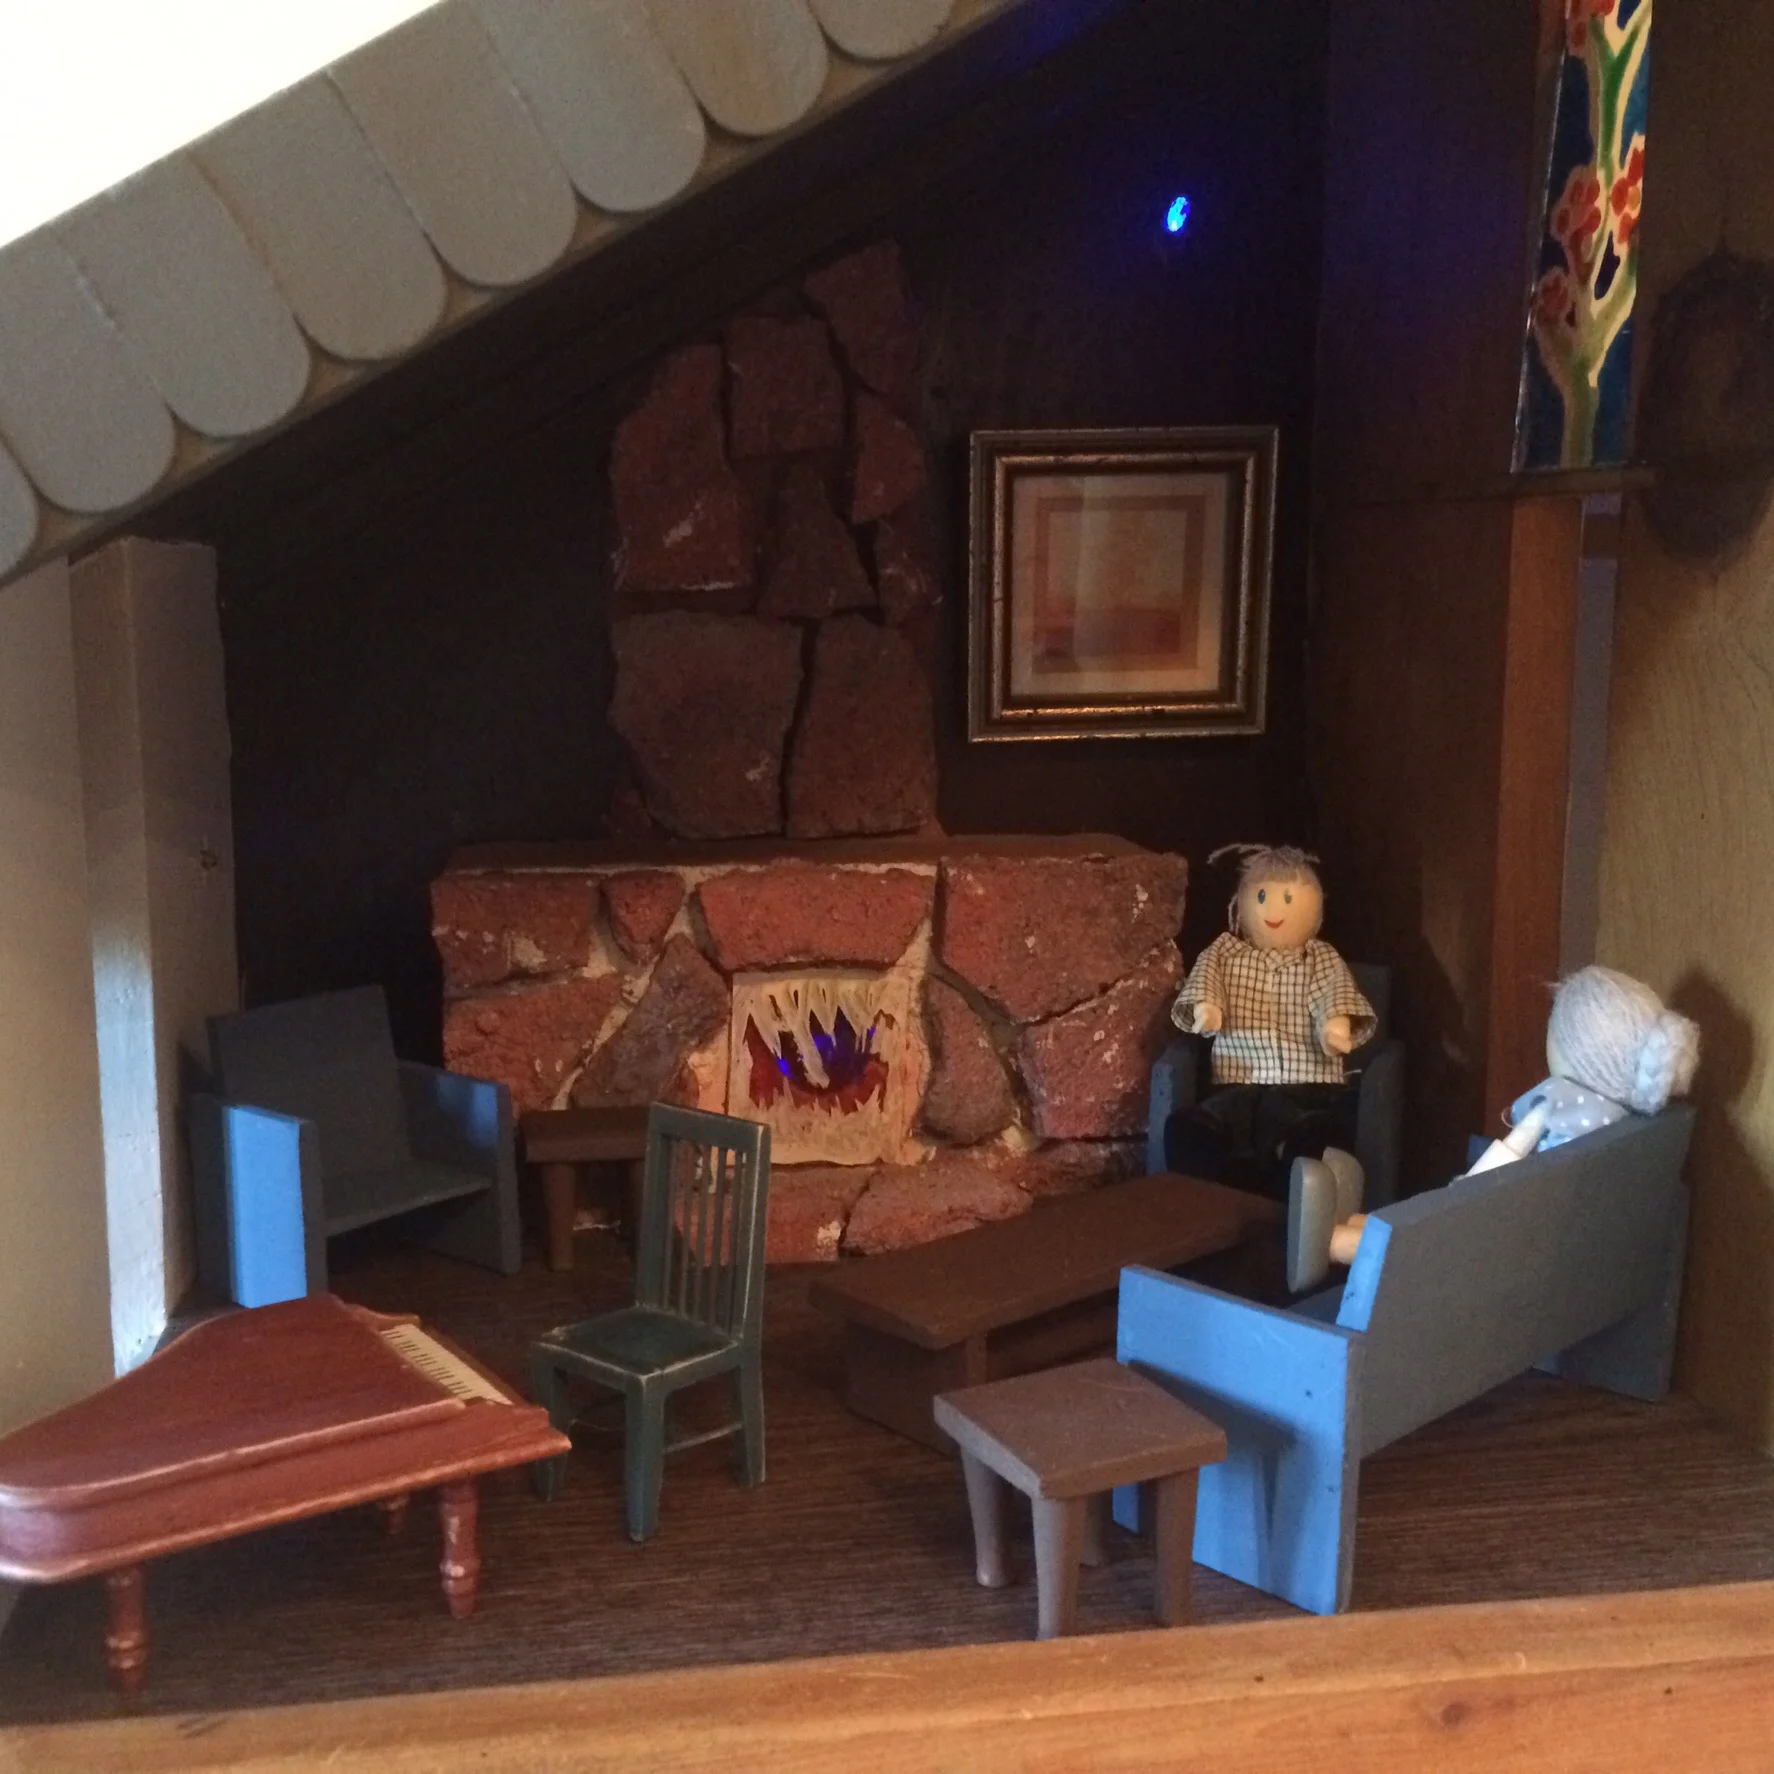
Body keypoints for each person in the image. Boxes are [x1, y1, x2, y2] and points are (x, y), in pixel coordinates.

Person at [1165, 845, 1375, 1198]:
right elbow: (1206, 981)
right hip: (1239, 1076)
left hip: (1304, 1081)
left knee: (1290, 1114)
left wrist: (1334, 1025)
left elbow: (1333, 993)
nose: (1273, 910)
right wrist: (1207, 1008)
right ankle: (1207, 1141)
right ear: (1243, 901)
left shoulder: (1321, 958)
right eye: (1261, 896)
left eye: (1288, 898)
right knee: (1226, 1111)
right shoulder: (1225, 952)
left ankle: (1296, 1144)